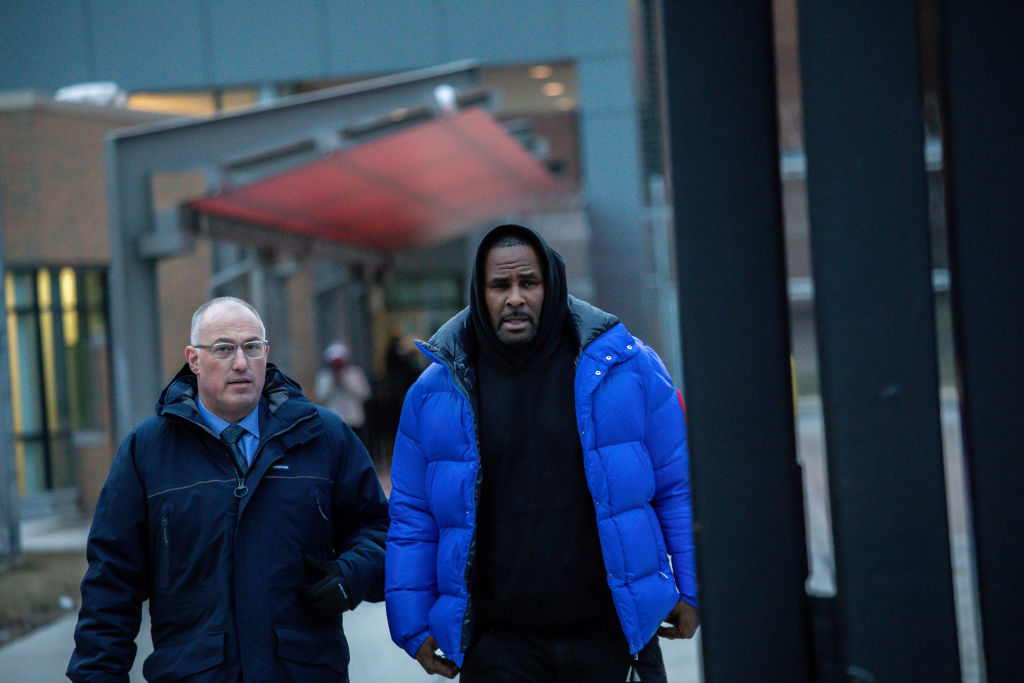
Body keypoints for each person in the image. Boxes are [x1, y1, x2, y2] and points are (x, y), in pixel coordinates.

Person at [385, 225, 698, 681]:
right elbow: (413, 513)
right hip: (498, 644)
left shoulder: (629, 369)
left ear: (551, 287)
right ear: (479, 291)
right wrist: (412, 623)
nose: (514, 298)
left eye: (528, 283)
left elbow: (677, 486)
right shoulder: (435, 392)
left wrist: (692, 586)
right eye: (500, 285)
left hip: (613, 636)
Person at [68, 296, 388, 682]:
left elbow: (379, 530)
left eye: (252, 347)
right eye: (223, 349)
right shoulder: (147, 452)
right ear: (194, 359)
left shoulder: (323, 436)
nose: (241, 363)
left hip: (304, 670)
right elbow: (111, 582)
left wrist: (349, 577)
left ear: (266, 353)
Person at [315, 341, 372, 448]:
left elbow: (365, 394)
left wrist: (346, 383)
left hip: (354, 420)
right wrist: (333, 384)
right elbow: (320, 397)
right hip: (334, 421)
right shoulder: (324, 377)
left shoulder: (355, 374)